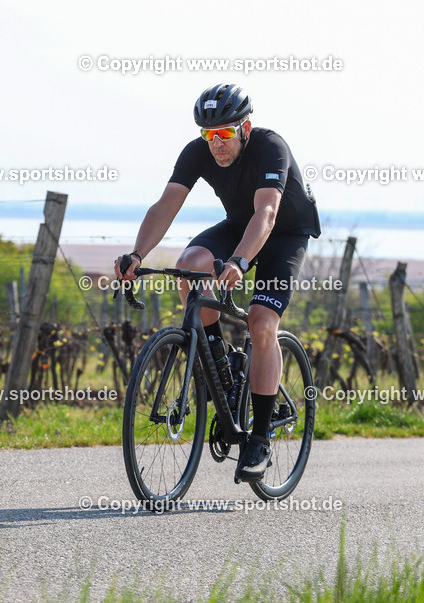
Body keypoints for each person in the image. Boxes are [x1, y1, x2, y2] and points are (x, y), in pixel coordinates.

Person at [115, 83, 321, 481]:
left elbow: (267, 213)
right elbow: (166, 205)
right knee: (190, 265)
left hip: (283, 232)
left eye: (225, 134)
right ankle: (221, 368)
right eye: (209, 135)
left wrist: (242, 261)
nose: (216, 144)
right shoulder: (197, 152)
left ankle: (258, 440)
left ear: (246, 127)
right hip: (240, 225)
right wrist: (137, 255)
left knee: (261, 321)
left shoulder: (270, 147)